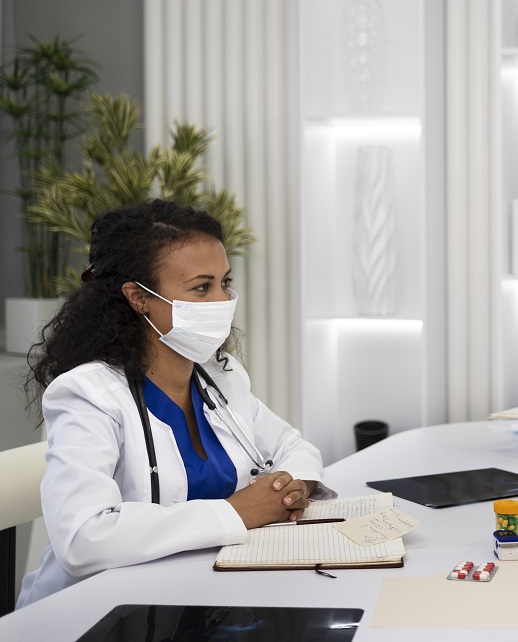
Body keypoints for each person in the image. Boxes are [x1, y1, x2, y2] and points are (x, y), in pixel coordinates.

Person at [17, 200, 333, 608]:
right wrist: (236, 512)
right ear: (138, 298)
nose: (223, 300)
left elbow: (295, 447)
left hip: (202, 594)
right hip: (96, 611)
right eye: (202, 287)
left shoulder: (220, 375)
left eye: (224, 282)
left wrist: (291, 487)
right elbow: (82, 539)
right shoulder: (87, 394)